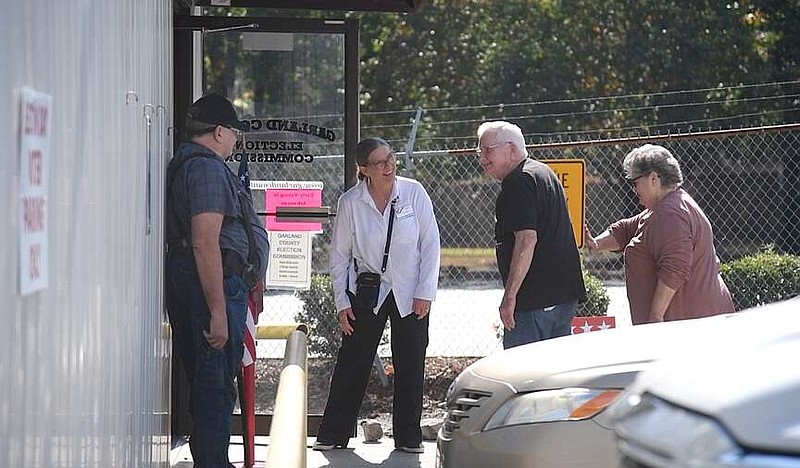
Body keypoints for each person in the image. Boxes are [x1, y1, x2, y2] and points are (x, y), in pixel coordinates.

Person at [313, 137, 441, 454]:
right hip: (369, 291)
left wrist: (425, 291)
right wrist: (342, 302)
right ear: (364, 169)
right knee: (353, 361)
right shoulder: (351, 202)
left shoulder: (414, 193)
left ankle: (408, 436)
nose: (389, 167)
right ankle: (333, 433)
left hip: (411, 292)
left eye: (391, 159)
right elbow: (340, 256)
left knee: (411, 360)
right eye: (380, 162)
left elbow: (430, 245)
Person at [165, 94, 269, 468]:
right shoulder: (207, 169)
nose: (236, 140)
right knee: (214, 386)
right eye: (234, 133)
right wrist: (218, 312)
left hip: (213, 283)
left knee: (212, 383)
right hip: (214, 286)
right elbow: (204, 242)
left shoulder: (194, 164)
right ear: (221, 131)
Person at [584, 144, 733, 324]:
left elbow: (675, 268)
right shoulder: (667, 207)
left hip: (687, 325)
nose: (633, 189)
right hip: (698, 319)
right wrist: (596, 243)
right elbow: (626, 230)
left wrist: (655, 316)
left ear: (654, 178)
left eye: (635, 182)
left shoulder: (669, 214)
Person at [476, 121, 586, 349]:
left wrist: (510, 297)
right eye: (479, 151)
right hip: (562, 297)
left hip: (535, 301)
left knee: (522, 376)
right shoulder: (542, 171)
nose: (482, 158)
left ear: (512, 149)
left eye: (488, 150)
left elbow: (526, 239)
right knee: (554, 375)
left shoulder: (518, 182)